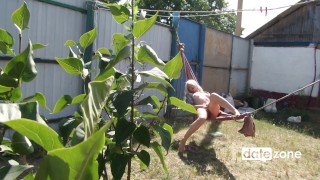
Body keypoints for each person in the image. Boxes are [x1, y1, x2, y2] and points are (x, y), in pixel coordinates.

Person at [178, 79, 240, 153]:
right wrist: (202, 106)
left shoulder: (205, 93)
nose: (191, 88)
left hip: (212, 109)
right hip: (201, 108)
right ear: (187, 89)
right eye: (189, 87)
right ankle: (183, 140)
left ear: (196, 85)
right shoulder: (190, 95)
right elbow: (190, 107)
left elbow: (214, 101)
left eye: (192, 85)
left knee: (213, 95)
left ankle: (235, 110)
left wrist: (226, 115)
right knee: (202, 117)